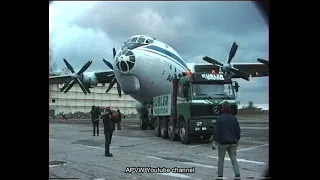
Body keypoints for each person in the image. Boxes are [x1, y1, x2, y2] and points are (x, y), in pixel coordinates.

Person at [213, 102, 241, 179]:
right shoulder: (234, 118)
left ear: (223, 108)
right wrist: (237, 139)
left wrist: (215, 141)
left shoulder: (220, 118)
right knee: (234, 158)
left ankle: (220, 175)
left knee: (221, 159)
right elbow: (238, 130)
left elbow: (217, 131)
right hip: (233, 142)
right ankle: (237, 175)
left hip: (223, 143)